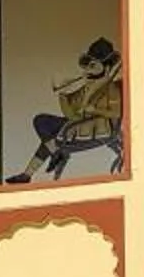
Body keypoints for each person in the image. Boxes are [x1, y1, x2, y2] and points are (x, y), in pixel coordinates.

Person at [11, 36, 124, 183]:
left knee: (51, 139)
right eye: (88, 65)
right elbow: (71, 115)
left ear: (107, 68)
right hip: (78, 124)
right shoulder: (87, 87)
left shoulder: (111, 88)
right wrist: (63, 94)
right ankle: (52, 156)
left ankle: (30, 172)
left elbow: (116, 113)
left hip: (95, 129)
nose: (88, 69)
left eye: (93, 65)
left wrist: (94, 110)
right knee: (41, 121)